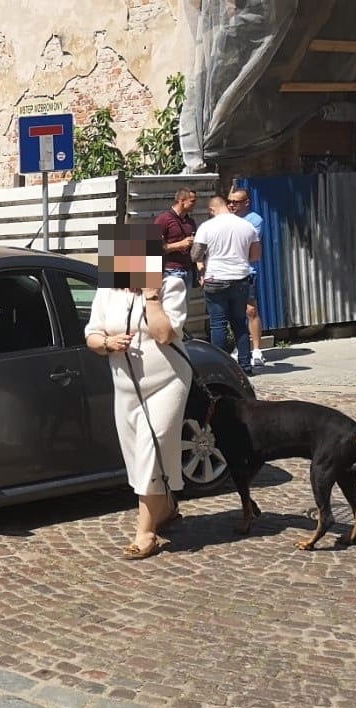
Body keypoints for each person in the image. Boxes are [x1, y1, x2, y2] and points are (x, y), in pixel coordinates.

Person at [84, 224, 192, 561]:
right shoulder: (108, 292)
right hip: (126, 387)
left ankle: (145, 533)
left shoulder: (171, 286)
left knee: (152, 446)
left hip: (168, 382)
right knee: (137, 454)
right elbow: (91, 334)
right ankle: (166, 506)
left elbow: (164, 335)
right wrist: (107, 343)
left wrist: (151, 294)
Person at [193, 194, 261, 377]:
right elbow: (255, 256)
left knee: (218, 324)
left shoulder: (206, 227)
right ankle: (246, 366)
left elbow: (195, 255)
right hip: (240, 278)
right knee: (239, 323)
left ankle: (219, 368)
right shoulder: (248, 226)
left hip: (215, 279)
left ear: (212, 210)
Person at [227, 184, 267, 367]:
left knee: (251, 310)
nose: (232, 205)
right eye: (230, 202)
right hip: (229, 271)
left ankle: (257, 349)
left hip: (246, 271)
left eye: (236, 202)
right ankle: (240, 347)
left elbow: (246, 245)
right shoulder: (226, 219)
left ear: (247, 203)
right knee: (233, 312)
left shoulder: (254, 220)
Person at [154, 188, 198, 288]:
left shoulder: (190, 222)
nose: (195, 204)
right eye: (192, 201)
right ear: (181, 200)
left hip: (188, 271)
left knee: (185, 304)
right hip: (170, 271)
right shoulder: (164, 219)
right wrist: (180, 245)